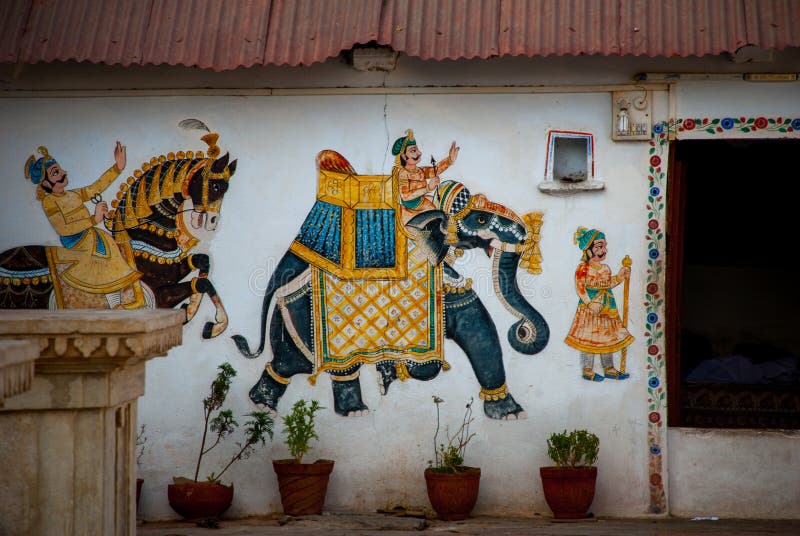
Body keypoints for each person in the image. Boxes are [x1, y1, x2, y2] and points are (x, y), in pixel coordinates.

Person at [24, 142, 145, 308]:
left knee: (106, 241)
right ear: (45, 183)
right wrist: (93, 220)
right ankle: (113, 302)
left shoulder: (73, 194)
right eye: (55, 172)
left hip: (88, 234)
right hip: (75, 240)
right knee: (104, 251)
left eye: (60, 169)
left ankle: (116, 300)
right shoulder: (49, 202)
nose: (63, 173)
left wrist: (118, 167)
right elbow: (62, 228)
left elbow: (95, 188)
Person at [564, 227, 633, 381]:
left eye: (604, 246)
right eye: (599, 247)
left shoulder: (605, 268)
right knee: (589, 338)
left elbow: (608, 284)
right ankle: (587, 369)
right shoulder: (583, 268)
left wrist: (620, 277)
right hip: (590, 310)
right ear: (588, 250)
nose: (604, 250)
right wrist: (589, 304)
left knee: (607, 338)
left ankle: (608, 368)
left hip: (607, 309)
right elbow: (580, 288)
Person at [391, 129, 459, 224]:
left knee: (442, 204)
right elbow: (405, 196)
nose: (419, 153)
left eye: (417, 149)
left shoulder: (419, 170)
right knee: (435, 213)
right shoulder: (403, 173)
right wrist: (428, 188)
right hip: (413, 203)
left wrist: (449, 160)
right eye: (413, 151)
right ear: (403, 156)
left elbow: (435, 170)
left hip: (420, 199)